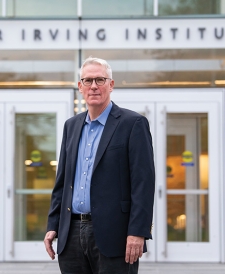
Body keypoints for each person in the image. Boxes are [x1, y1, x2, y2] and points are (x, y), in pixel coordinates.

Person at [44, 56, 155, 274]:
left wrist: (138, 232)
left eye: (100, 80)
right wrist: (53, 225)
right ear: (80, 87)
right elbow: (63, 181)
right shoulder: (72, 126)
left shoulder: (132, 124)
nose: (94, 86)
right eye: (87, 81)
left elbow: (143, 183)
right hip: (72, 235)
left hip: (116, 235)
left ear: (111, 85)